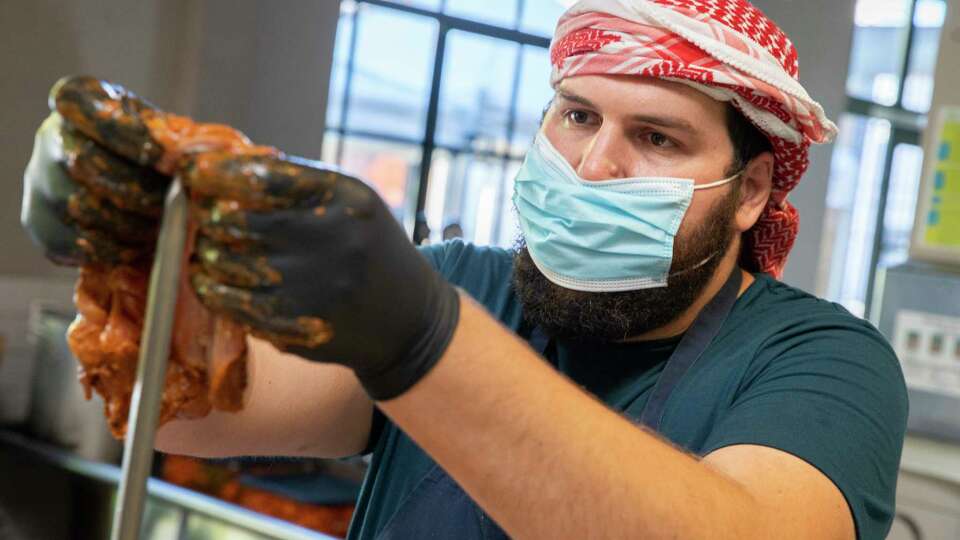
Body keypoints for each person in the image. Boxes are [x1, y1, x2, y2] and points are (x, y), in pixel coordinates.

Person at [22, 0, 907, 538]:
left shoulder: (822, 364)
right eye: (576, 116)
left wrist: (421, 341)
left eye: (656, 137)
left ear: (750, 190)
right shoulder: (466, 287)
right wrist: (135, 245)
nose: (593, 167)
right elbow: (190, 408)